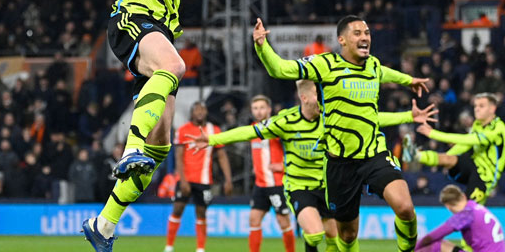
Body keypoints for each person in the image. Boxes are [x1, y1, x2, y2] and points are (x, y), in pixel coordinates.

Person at [0, 0, 230, 250]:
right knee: (174, 66)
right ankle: (131, 148)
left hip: (162, 32)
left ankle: (103, 225)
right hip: (131, 21)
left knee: (160, 147)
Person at [189, 80, 438, 252]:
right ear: (305, 97)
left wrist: (408, 116)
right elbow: (249, 131)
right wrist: (212, 139)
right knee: (316, 233)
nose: (323, 101)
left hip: (328, 185)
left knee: (337, 236)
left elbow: (372, 118)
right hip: (300, 186)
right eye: (319, 96)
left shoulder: (331, 118)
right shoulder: (285, 121)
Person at [252, 15, 430, 252]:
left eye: (366, 32)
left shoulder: (373, 65)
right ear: (342, 40)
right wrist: (262, 47)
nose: (365, 37)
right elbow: (281, 69)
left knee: (405, 208)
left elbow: (385, 73)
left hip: (373, 154)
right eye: (357, 33)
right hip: (340, 163)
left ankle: (408, 250)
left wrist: (409, 81)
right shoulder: (325, 64)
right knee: (346, 235)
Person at [405, 93, 505, 204]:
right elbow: (464, 145)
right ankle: (416, 155)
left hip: (485, 178)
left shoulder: (499, 129)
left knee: (470, 211)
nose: (477, 109)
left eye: (481, 106)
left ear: (492, 108)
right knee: (449, 158)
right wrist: (446, 157)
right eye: (475, 106)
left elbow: (469, 140)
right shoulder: (477, 124)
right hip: (472, 166)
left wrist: (433, 133)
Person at [164, 102, 232, 252]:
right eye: (197, 109)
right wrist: (182, 180)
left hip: (204, 181)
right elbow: (179, 156)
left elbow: (222, 156)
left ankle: (200, 249)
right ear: (192, 113)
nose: (200, 112)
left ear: (206, 112)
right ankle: (169, 246)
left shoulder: (214, 130)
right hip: (186, 179)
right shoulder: (183, 130)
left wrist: (228, 179)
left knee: (201, 212)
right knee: (178, 208)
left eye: (203, 109)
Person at [243, 95, 295, 252]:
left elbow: (294, 148)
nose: (258, 112)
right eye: (255, 108)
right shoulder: (253, 129)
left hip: (277, 184)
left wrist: (284, 165)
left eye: (262, 108)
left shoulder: (278, 128)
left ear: (269, 110)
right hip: (260, 184)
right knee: (254, 219)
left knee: (283, 222)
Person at [416, 185, 505, 252]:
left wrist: (413, 248)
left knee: (437, 245)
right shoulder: (476, 207)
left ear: (447, 206)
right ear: (463, 196)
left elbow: (433, 236)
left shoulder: (466, 214)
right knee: (444, 244)